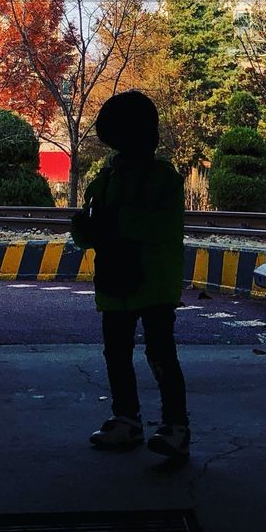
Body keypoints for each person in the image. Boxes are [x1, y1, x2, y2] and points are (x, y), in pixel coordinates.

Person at [70, 89, 189, 458]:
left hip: (151, 283)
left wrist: (111, 224)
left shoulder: (163, 178)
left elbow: (163, 228)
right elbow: (95, 225)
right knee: (117, 353)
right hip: (118, 281)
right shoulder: (108, 177)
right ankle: (128, 419)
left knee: (160, 353)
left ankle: (174, 425)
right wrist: (85, 228)